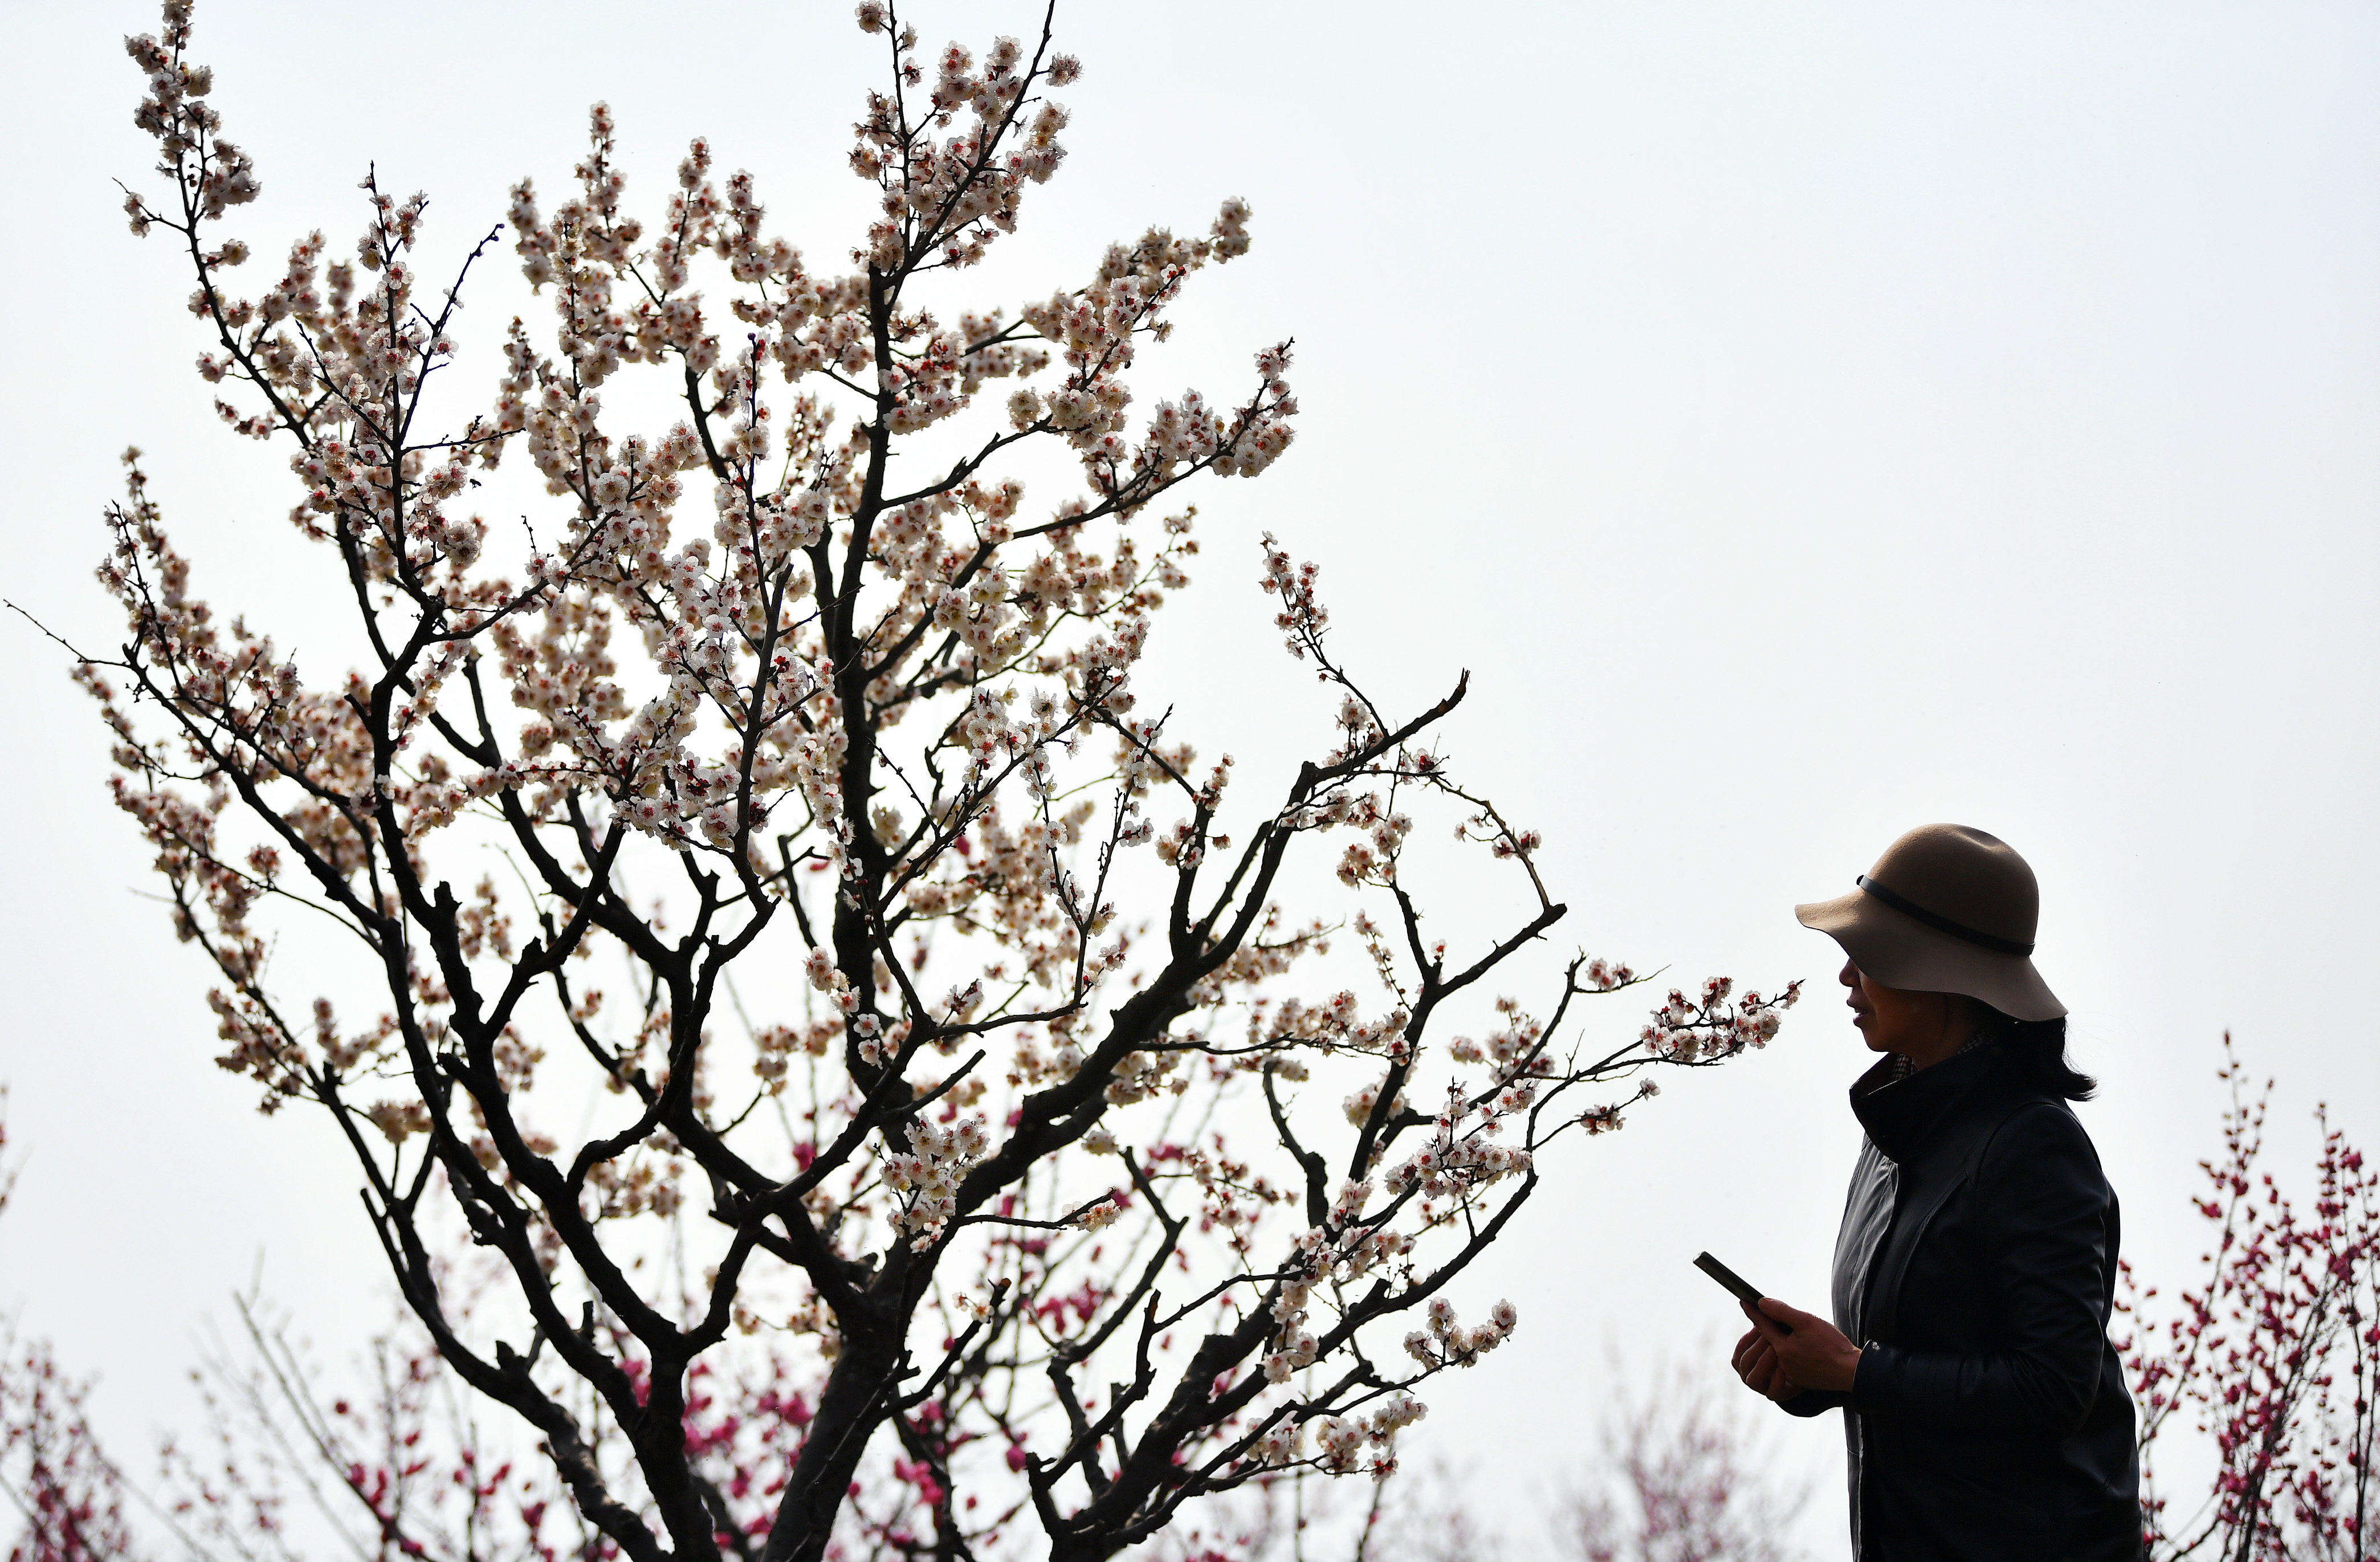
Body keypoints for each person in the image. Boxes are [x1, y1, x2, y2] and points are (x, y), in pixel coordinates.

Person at [1729, 823, 2141, 1560]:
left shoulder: (2032, 1143)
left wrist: (1858, 1370)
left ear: (1939, 974)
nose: (1846, 976)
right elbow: (1926, 1366)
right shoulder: (1893, 1133)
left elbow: (2052, 1387)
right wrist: (1822, 1376)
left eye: (1870, 953)